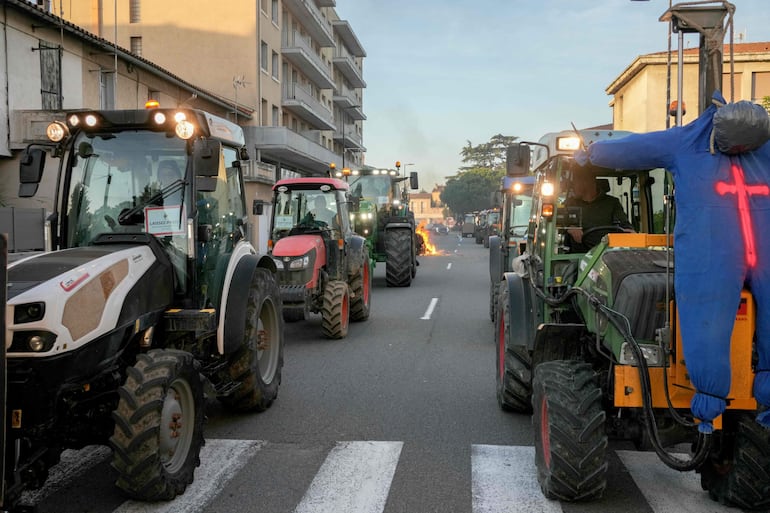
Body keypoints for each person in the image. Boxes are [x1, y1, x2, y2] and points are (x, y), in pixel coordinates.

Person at [564, 172, 634, 251]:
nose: (571, 187)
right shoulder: (570, 203)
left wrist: (630, 233)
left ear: (587, 182)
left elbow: (625, 226)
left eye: (574, 182)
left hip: (606, 254)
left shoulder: (612, 203)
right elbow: (556, 225)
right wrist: (569, 227)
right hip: (577, 256)